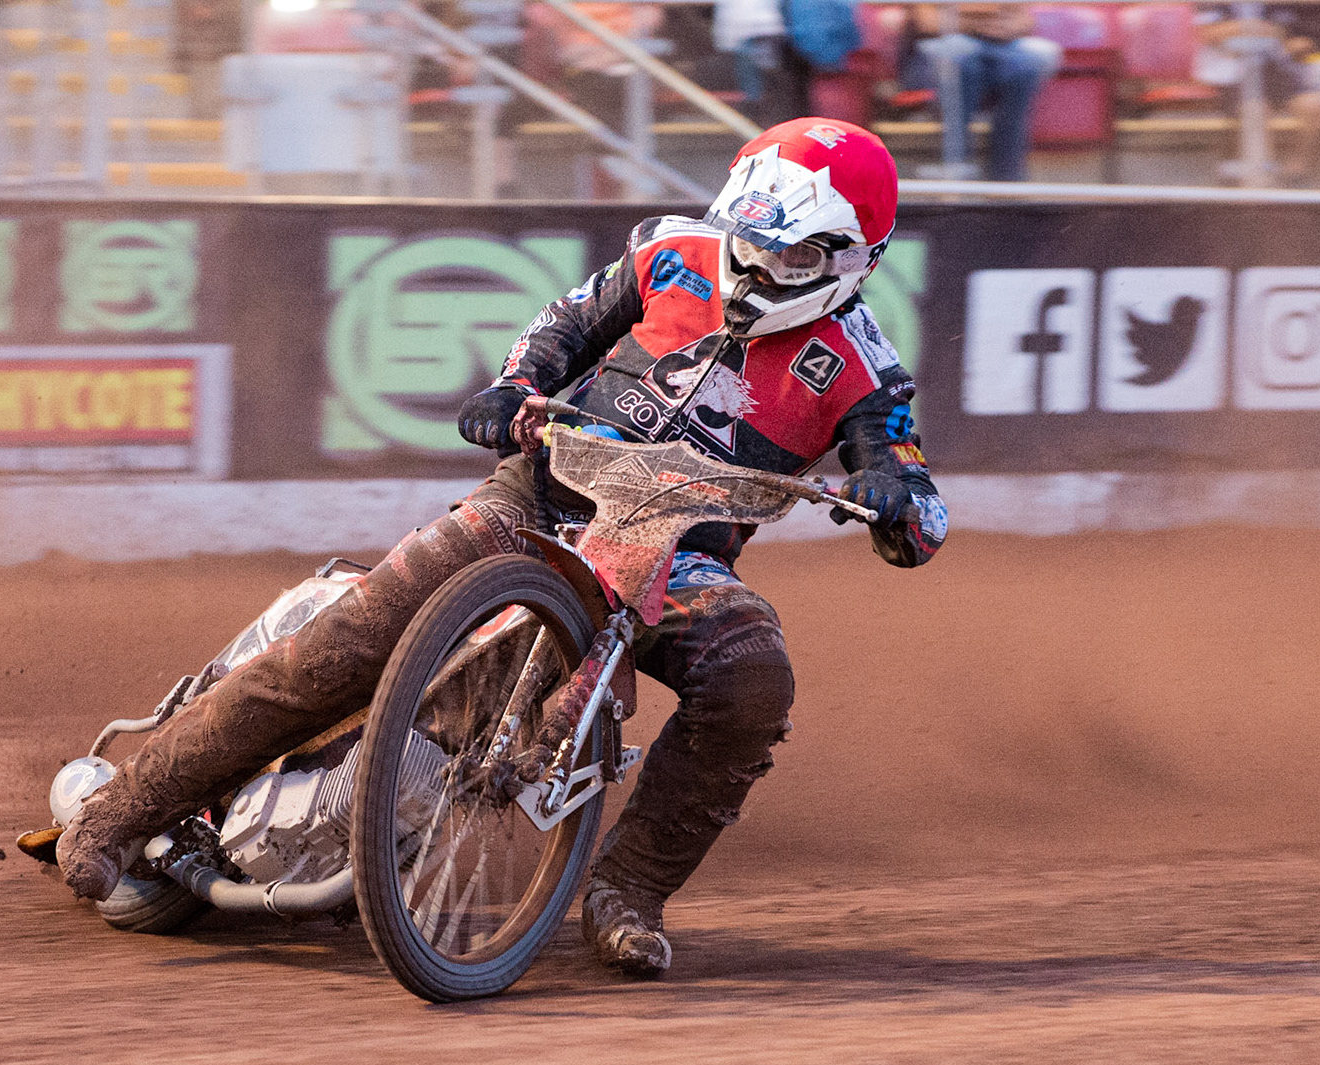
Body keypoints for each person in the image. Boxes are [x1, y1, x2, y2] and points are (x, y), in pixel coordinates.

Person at [55, 117, 948, 978]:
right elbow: (565, 324)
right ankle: (119, 813)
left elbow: (919, 507)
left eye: (792, 257)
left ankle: (629, 892)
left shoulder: (867, 371)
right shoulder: (669, 250)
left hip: (678, 552)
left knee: (753, 676)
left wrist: (894, 499)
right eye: (749, 239)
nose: (757, 266)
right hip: (538, 494)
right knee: (350, 640)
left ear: (854, 259)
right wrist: (514, 385)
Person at [1194, 3, 1320, 188]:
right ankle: (1261, 178)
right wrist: (1255, 29)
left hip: (1275, 70)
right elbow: (1210, 33)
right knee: (1255, 109)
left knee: (1314, 104)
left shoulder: (1276, 5)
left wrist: (1243, 29)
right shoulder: (1214, 4)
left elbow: (1281, 33)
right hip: (1230, 74)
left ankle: (1296, 170)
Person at [898, 3, 1060, 181]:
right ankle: (955, 162)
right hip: (943, 50)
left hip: (997, 48)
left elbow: (1024, 21)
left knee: (1025, 70)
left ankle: (1007, 173)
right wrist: (978, 22)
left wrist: (1002, 26)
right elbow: (929, 23)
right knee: (965, 66)